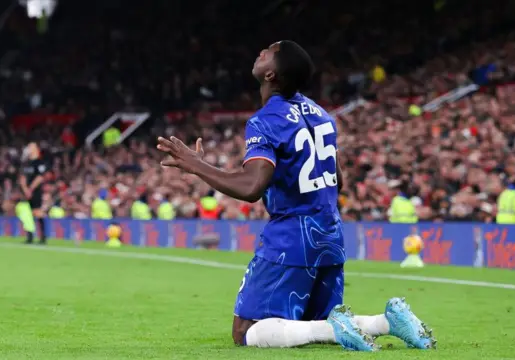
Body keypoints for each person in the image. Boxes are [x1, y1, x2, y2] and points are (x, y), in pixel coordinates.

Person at [157, 41, 435, 351]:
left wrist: (196, 165)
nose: (260, 50)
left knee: (246, 331)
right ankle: (385, 323)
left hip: (292, 237)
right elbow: (337, 180)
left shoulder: (265, 120)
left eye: (268, 51)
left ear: (271, 74)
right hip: (330, 236)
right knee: (305, 325)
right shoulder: (322, 115)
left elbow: (252, 187)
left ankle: (337, 331)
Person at [19, 142, 49, 244]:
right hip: (26, 191)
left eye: (31, 146)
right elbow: (22, 177)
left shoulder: (39, 162)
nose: (29, 148)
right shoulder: (26, 163)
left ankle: (43, 237)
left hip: (35, 191)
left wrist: (30, 189)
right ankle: (30, 236)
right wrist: (25, 189)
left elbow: (40, 177)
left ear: (36, 149)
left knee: (37, 212)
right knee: (27, 214)